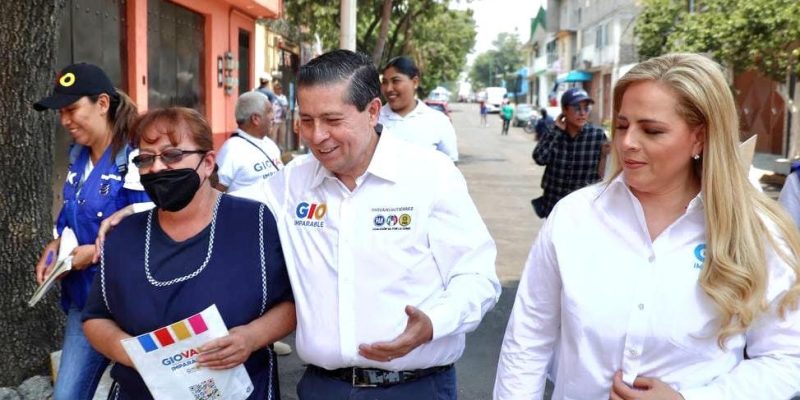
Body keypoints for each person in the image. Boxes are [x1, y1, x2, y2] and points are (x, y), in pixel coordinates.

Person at [494, 53, 800, 399]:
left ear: (699, 138)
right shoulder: (574, 217)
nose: (627, 143)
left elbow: (785, 357)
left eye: (651, 130)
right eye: (622, 125)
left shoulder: (753, 231)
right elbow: (528, 341)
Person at [235, 49, 500, 399]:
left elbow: (477, 277)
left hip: (414, 388)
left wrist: (433, 322)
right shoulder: (292, 182)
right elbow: (219, 211)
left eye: (332, 120)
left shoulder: (431, 175)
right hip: (322, 389)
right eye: (308, 120)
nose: (317, 136)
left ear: (372, 111)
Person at [82, 107, 296, 399]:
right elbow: (96, 317)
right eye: (145, 159)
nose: (157, 168)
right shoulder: (122, 234)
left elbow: (291, 304)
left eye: (172, 155)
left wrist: (251, 338)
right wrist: (142, 359)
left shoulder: (255, 223)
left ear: (208, 162)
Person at [32, 62, 150, 400]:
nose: (64, 120)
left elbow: (152, 229)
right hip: (84, 303)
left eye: (71, 109)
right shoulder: (78, 155)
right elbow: (73, 215)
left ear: (102, 103)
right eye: (60, 112)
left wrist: (96, 252)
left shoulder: (138, 156)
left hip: (132, 306)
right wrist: (57, 244)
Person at [531, 87, 607, 218]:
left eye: (586, 108)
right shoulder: (553, 133)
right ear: (564, 110)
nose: (582, 113)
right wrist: (556, 132)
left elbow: (603, 175)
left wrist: (605, 156)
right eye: (577, 108)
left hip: (583, 208)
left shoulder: (597, 136)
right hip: (553, 204)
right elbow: (540, 158)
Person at [378, 56, 459, 162]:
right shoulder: (373, 120)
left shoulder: (438, 121)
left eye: (396, 81)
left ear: (415, 82)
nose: (388, 88)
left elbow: (451, 167)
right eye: (384, 82)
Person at [215, 91, 283, 193]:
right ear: (255, 119)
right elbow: (215, 194)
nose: (273, 117)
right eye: (269, 111)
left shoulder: (270, 144)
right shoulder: (231, 150)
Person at [272, 81, 290, 150]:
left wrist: (286, 113)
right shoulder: (272, 97)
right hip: (274, 121)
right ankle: (273, 152)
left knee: (282, 138)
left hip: (282, 120)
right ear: (274, 89)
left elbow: (287, 107)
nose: (279, 90)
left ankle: (281, 153)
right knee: (273, 138)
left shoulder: (284, 97)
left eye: (280, 88)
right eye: (277, 88)